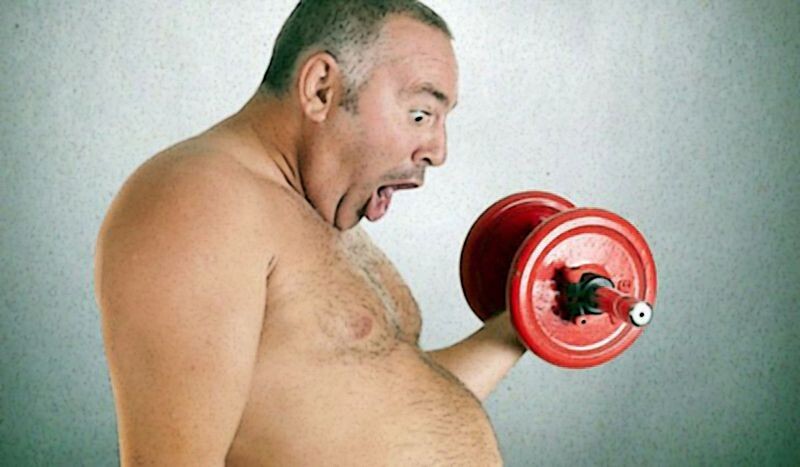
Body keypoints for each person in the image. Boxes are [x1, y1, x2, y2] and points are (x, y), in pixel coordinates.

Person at [94, 1, 527, 465]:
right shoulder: (199, 199)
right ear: (321, 88)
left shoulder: (316, 208)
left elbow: (389, 405)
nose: (438, 151)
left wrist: (525, 320)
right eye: (420, 115)